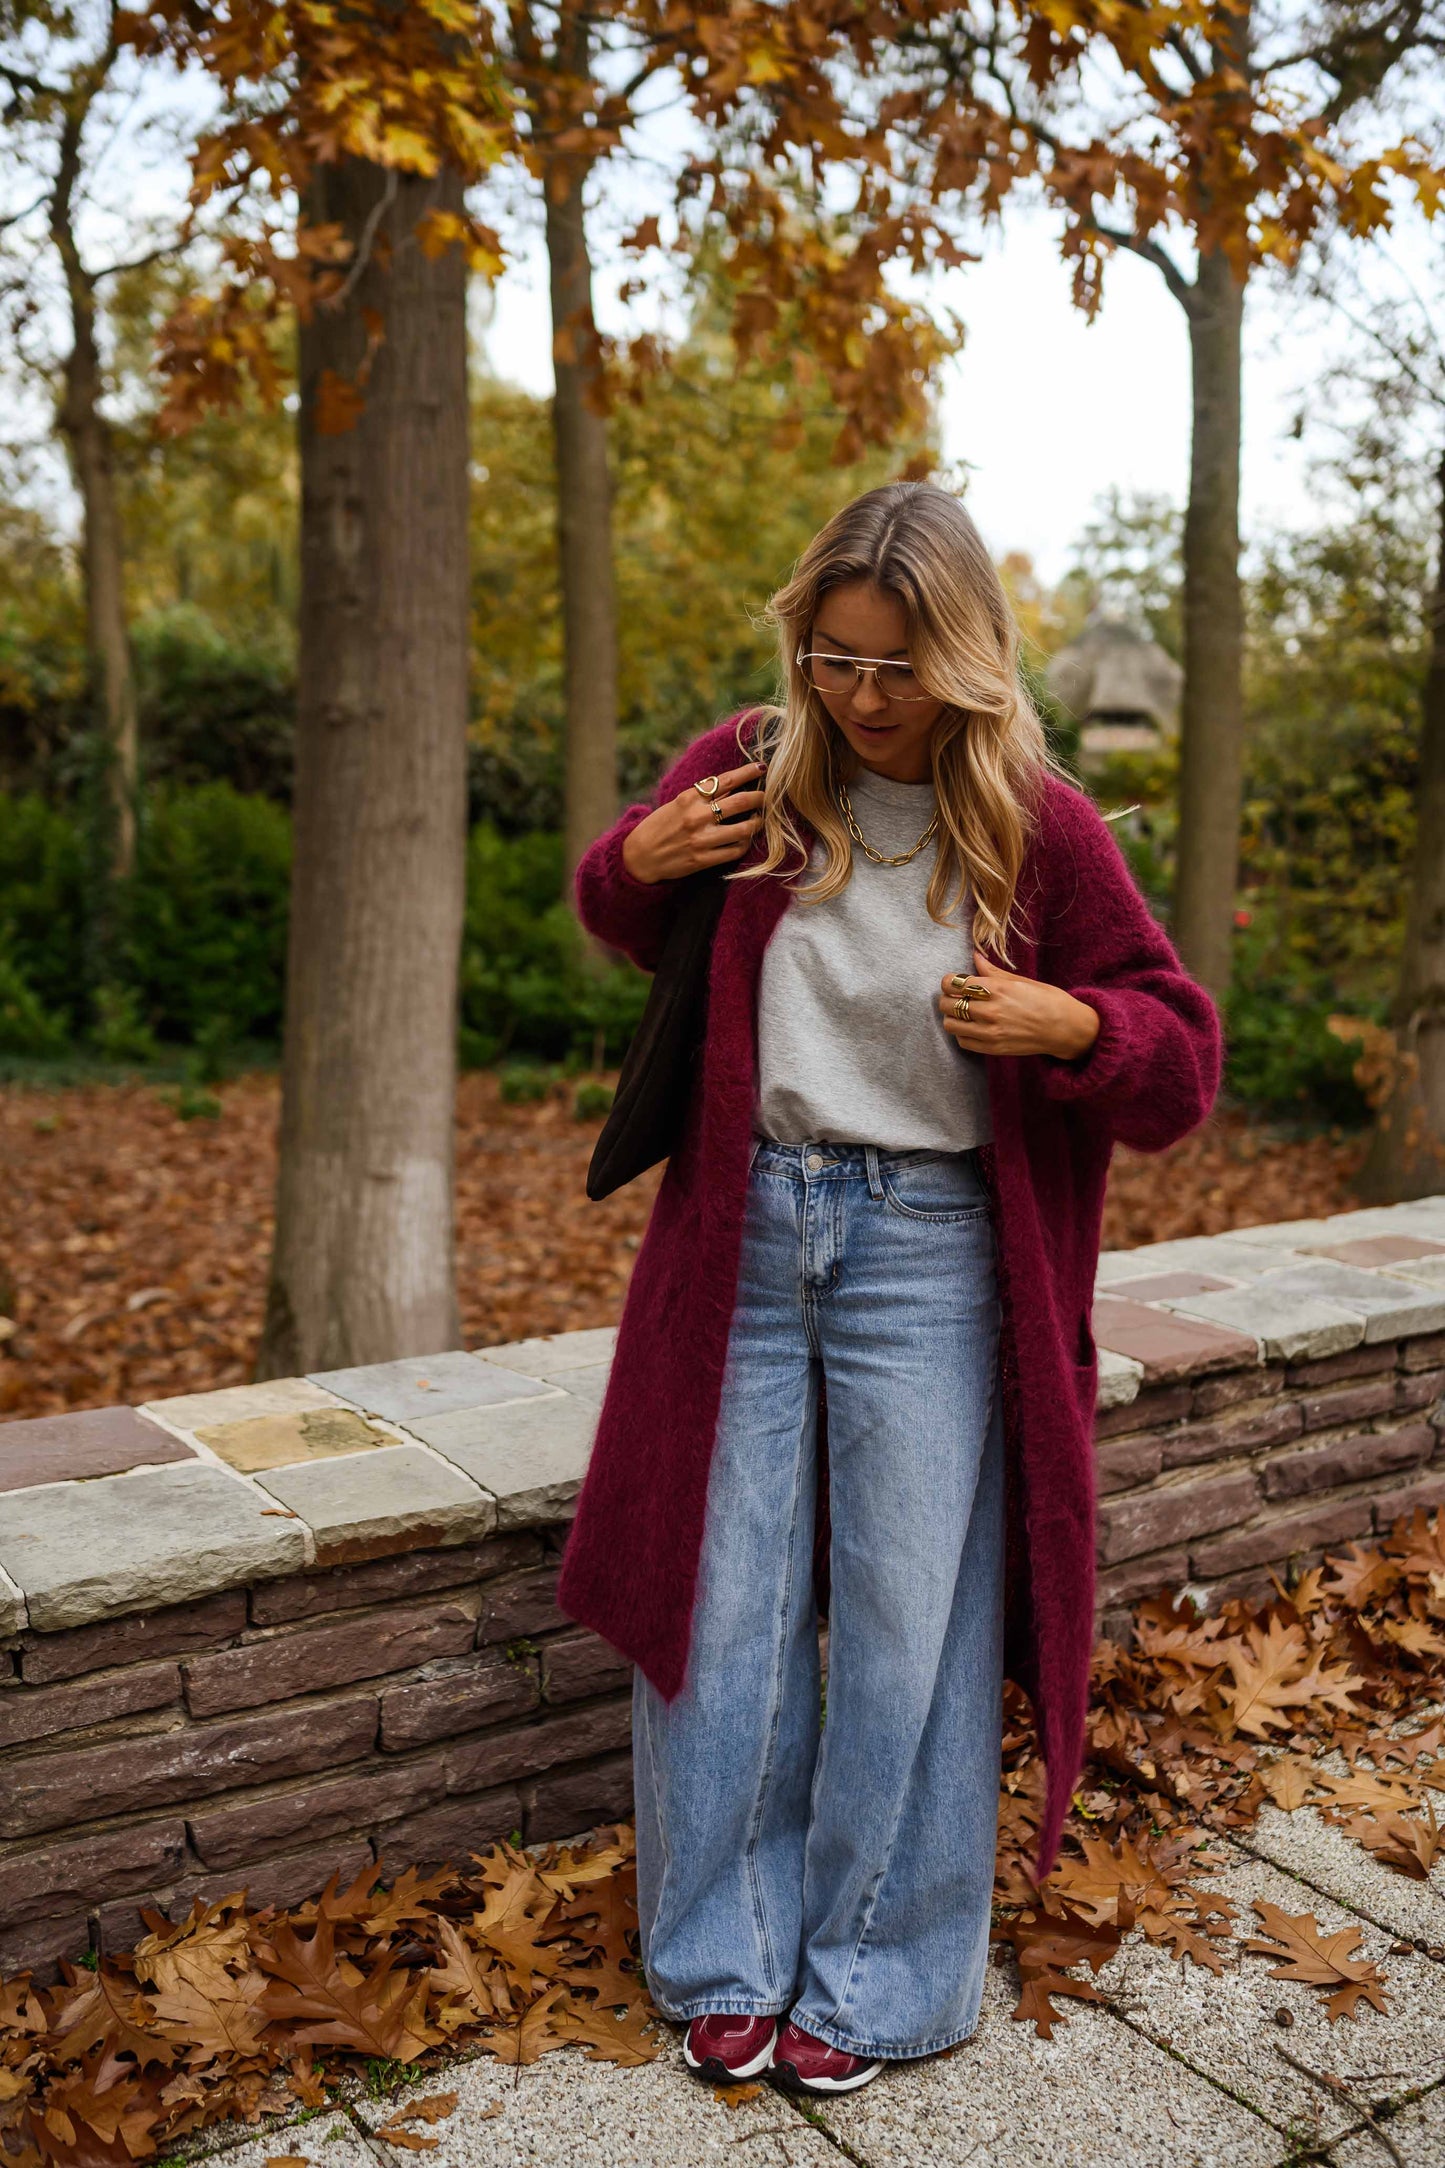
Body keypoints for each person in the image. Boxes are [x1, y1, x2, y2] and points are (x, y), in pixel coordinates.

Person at [557, 482, 1222, 2096]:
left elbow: (1177, 1059)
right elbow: (620, 912)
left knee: (910, 1624)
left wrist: (1071, 1029)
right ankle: (720, 1954)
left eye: (895, 668)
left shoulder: (1040, 827)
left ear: (967, 661)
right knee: (721, 1604)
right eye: (833, 660)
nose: (860, 698)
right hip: (749, 1233)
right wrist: (636, 858)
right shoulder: (747, 771)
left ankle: (873, 1974)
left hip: (932, 1253)